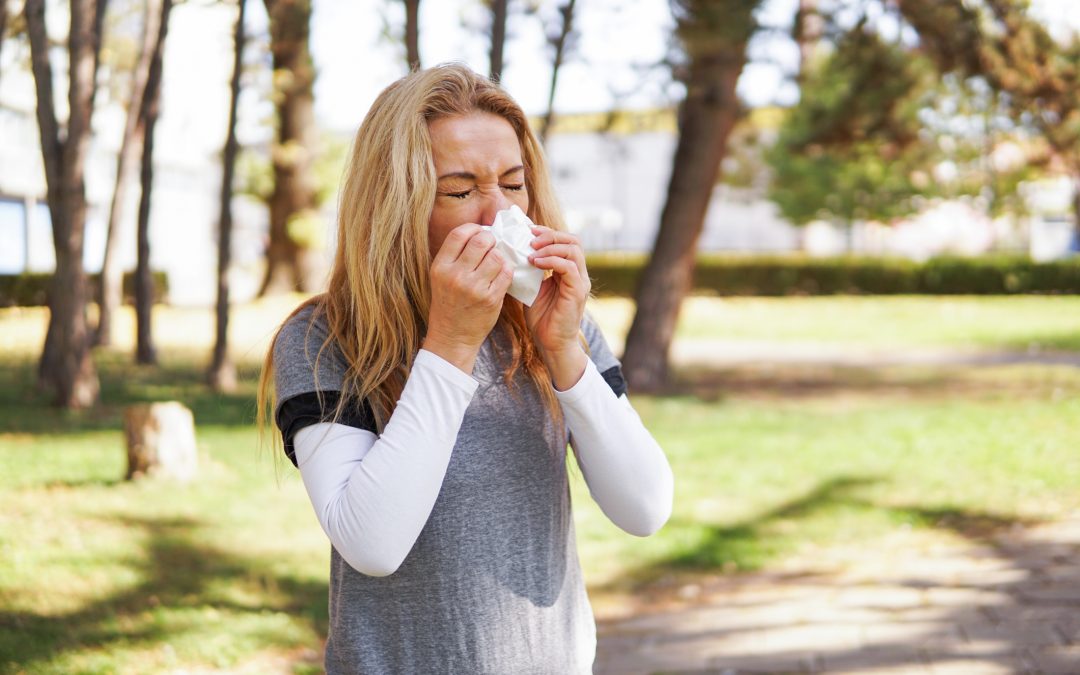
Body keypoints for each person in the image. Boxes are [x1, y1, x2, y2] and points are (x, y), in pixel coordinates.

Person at [258, 63, 674, 674]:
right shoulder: (325, 338)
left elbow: (644, 509)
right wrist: (449, 345)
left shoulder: (557, 323)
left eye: (513, 184)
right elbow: (372, 544)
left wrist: (565, 355)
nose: (497, 213)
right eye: (460, 190)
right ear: (396, 204)